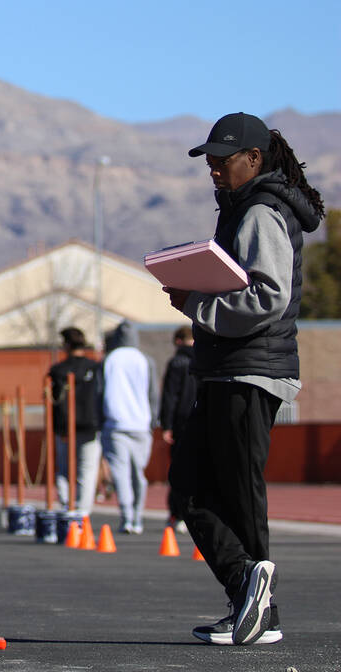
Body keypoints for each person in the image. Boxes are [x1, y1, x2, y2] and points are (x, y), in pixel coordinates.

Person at [166, 113, 323, 646]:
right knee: (191, 487)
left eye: (222, 158)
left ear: (253, 159)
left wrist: (198, 304)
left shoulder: (259, 212)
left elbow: (267, 296)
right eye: (208, 158)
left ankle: (258, 603)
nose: (213, 168)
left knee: (235, 492)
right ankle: (249, 596)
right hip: (227, 368)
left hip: (250, 369)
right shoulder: (242, 209)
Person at [100, 321, 158, 536]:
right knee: (138, 474)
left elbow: (99, 393)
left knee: (121, 474)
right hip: (141, 425)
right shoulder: (145, 360)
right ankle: (137, 516)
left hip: (115, 424)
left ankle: (126, 517)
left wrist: (101, 421)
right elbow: (153, 393)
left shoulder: (108, 360)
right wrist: (153, 420)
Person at [47, 327, 103, 515]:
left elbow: (53, 401)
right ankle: (82, 511)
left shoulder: (58, 370)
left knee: (64, 469)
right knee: (87, 470)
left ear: (66, 345)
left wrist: (57, 427)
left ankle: (66, 505)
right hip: (90, 424)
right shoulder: (95, 368)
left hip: (65, 426)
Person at [159, 326, 196, 532]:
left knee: (179, 470)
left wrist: (166, 425)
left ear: (179, 341)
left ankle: (177, 513)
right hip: (201, 420)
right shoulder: (205, 359)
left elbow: (170, 396)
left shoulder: (177, 362)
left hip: (181, 422)